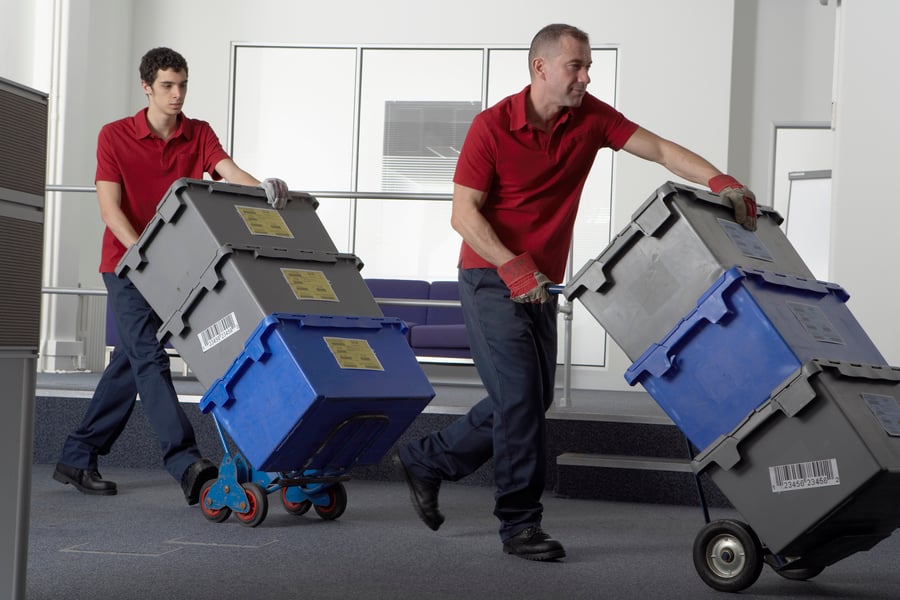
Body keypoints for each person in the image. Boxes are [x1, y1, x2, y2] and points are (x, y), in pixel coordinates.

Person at [393, 23, 757, 561]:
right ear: (540, 68)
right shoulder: (491, 128)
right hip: (491, 278)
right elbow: (463, 214)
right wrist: (513, 266)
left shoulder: (589, 118)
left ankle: (428, 459)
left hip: (539, 282)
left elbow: (656, 148)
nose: (586, 77)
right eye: (576, 66)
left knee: (529, 401)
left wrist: (720, 181)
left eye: (588, 67)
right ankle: (519, 524)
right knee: (520, 400)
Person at [53, 47, 289, 505]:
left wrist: (263, 188)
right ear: (147, 87)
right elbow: (109, 208)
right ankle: (186, 463)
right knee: (149, 359)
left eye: (182, 85)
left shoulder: (197, 133)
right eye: (167, 86)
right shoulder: (114, 136)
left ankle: (77, 455)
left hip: (178, 270)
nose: (177, 94)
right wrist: (142, 253)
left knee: (131, 360)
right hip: (126, 265)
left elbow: (228, 171)